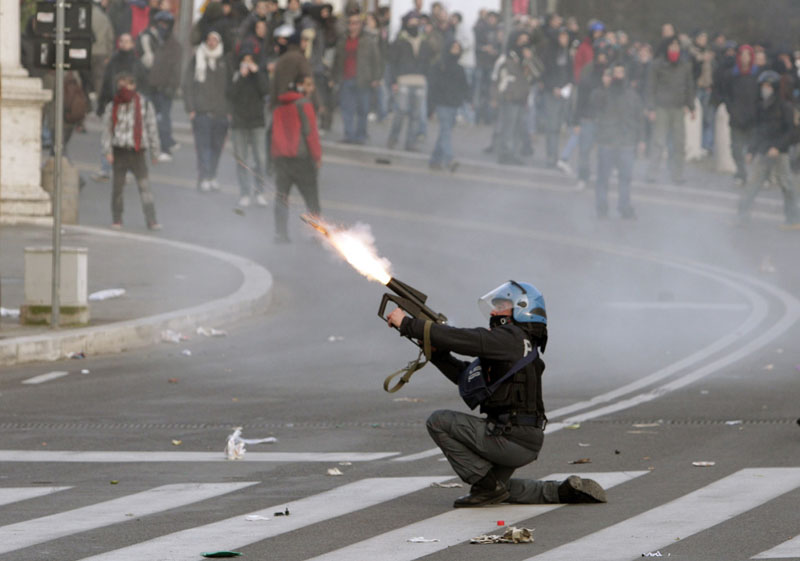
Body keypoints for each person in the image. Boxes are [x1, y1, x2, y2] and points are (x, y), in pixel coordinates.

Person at [386, 281, 607, 507]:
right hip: (523, 439)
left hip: (508, 437)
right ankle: (561, 492)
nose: (493, 312)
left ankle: (487, 486)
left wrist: (408, 324)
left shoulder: (512, 338)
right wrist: (438, 355)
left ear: (521, 310)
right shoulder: (519, 344)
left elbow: (467, 340)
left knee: (438, 421)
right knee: (498, 488)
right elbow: (467, 378)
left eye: (500, 307)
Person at [737, 70, 800, 230]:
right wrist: (751, 150)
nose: (765, 89)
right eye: (763, 86)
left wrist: (778, 147)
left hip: (779, 152)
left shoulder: (784, 107)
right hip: (764, 150)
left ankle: (793, 219)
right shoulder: (761, 107)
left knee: (786, 184)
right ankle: (742, 216)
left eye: (768, 86)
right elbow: (758, 131)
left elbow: (791, 132)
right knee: (753, 183)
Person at [101, 72, 161, 230]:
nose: (124, 89)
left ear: (134, 86)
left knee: (144, 187)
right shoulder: (113, 105)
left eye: (128, 85)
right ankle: (117, 218)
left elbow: (152, 128)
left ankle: (151, 219)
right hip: (119, 150)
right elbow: (107, 130)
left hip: (137, 151)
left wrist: (155, 152)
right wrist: (107, 151)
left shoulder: (144, 104)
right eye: (121, 86)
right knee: (118, 188)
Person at [271, 75, 322, 243]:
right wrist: (317, 157)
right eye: (308, 85)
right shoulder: (304, 104)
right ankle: (316, 234)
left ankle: (280, 233)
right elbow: (310, 133)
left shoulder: (279, 104)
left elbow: (271, 132)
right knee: (311, 199)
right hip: (301, 159)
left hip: (281, 159)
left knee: (281, 198)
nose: (311, 89)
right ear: (300, 87)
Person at [591, 63, 644, 219]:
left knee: (625, 178)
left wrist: (641, 140)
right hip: (607, 141)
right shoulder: (602, 94)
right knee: (603, 177)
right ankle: (601, 207)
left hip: (626, 142)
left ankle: (624, 206)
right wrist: (604, 87)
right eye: (615, 72)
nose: (618, 75)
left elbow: (639, 118)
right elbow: (594, 107)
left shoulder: (632, 95)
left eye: (621, 72)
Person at [183, 31, 231, 192]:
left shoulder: (224, 61)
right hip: (201, 111)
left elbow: (231, 87)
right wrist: (190, 108)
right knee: (203, 147)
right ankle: (203, 177)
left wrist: (229, 110)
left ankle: (212, 176)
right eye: (209, 39)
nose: (211, 42)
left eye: (214, 40)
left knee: (217, 147)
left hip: (221, 112)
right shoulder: (197, 58)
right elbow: (188, 84)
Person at [645, 36, 695, 184]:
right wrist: (650, 108)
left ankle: (677, 174)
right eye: (672, 46)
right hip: (661, 108)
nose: (674, 49)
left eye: (677, 46)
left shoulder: (685, 66)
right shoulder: (657, 65)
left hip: (678, 108)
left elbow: (689, 87)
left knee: (679, 143)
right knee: (658, 141)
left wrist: (691, 106)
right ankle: (652, 173)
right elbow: (651, 87)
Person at [137, 10, 182, 161]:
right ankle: (159, 144)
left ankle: (165, 148)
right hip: (152, 86)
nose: (162, 27)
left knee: (163, 119)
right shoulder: (154, 40)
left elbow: (176, 69)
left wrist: (172, 86)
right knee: (151, 118)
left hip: (165, 88)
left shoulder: (173, 45)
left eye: (165, 24)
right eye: (160, 23)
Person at [229, 43, 270, 208]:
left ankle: (259, 192)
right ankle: (245, 193)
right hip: (239, 122)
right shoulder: (236, 74)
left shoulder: (259, 74)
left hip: (257, 121)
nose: (247, 63)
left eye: (250, 59)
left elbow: (265, 90)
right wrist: (241, 76)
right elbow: (230, 94)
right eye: (244, 60)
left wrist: (256, 72)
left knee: (260, 159)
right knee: (241, 159)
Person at [331, 13, 382, 144]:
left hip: (363, 79)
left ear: (360, 25)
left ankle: (360, 135)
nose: (352, 26)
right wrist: (334, 77)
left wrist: (376, 78)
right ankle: (349, 134)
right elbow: (337, 60)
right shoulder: (343, 40)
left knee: (362, 109)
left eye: (355, 23)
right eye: (350, 23)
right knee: (346, 108)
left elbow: (376, 60)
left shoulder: (368, 41)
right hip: (346, 78)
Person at [387, 13, 432, 151]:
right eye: (411, 22)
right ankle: (393, 138)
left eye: (416, 22)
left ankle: (411, 143)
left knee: (416, 114)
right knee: (401, 111)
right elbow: (393, 62)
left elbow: (428, 60)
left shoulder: (424, 41)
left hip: (420, 80)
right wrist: (393, 81)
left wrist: (426, 76)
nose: (414, 25)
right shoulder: (400, 41)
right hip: (403, 79)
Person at [719, 44, 759, 185]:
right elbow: (726, 94)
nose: (745, 58)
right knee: (736, 148)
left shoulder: (756, 74)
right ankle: (741, 173)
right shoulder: (731, 74)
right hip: (736, 117)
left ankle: (756, 175)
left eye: (748, 55)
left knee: (753, 148)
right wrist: (731, 109)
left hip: (753, 117)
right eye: (742, 54)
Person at [428, 40, 469, 171]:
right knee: (445, 131)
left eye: (458, 48)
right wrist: (431, 105)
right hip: (442, 103)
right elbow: (432, 86)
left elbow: (464, 86)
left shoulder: (459, 68)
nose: (456, 50)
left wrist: (467, 99)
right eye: (453, 48)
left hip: (454, 104)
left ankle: (435, 159)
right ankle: (449, 159)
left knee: (444, 132)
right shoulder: (439, 65)